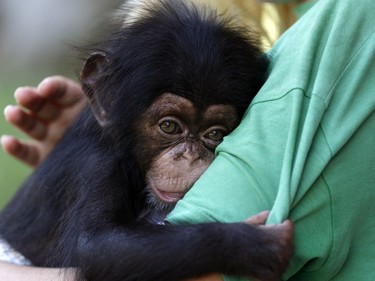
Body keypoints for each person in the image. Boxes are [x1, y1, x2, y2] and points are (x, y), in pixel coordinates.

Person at [2, 0, 375, 280]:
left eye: (214, 134)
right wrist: (224, 245)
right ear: (105, 98)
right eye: (169, 127)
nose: (189, 156)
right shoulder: (101, 154)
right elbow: (93, 250)